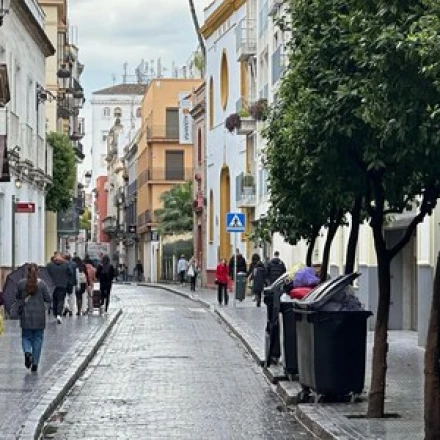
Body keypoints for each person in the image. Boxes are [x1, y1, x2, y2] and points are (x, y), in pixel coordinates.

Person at [16, 263, 51, 371]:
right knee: (38, 338)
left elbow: (17, 296)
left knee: (26, 337)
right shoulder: (42, 284)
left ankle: (27, 352)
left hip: (26, 315)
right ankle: (35, 363)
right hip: (39, 316)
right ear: (38, 272)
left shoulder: (21, 283)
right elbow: (48, 298)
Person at [46, 252, 71, 324]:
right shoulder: (66, 264)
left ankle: (55, 313)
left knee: (54, 299)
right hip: (63, 284)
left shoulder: (49, 265)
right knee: (61, 300)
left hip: (52, 285)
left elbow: (46, 274)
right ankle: (59, 314)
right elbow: (71, 273)